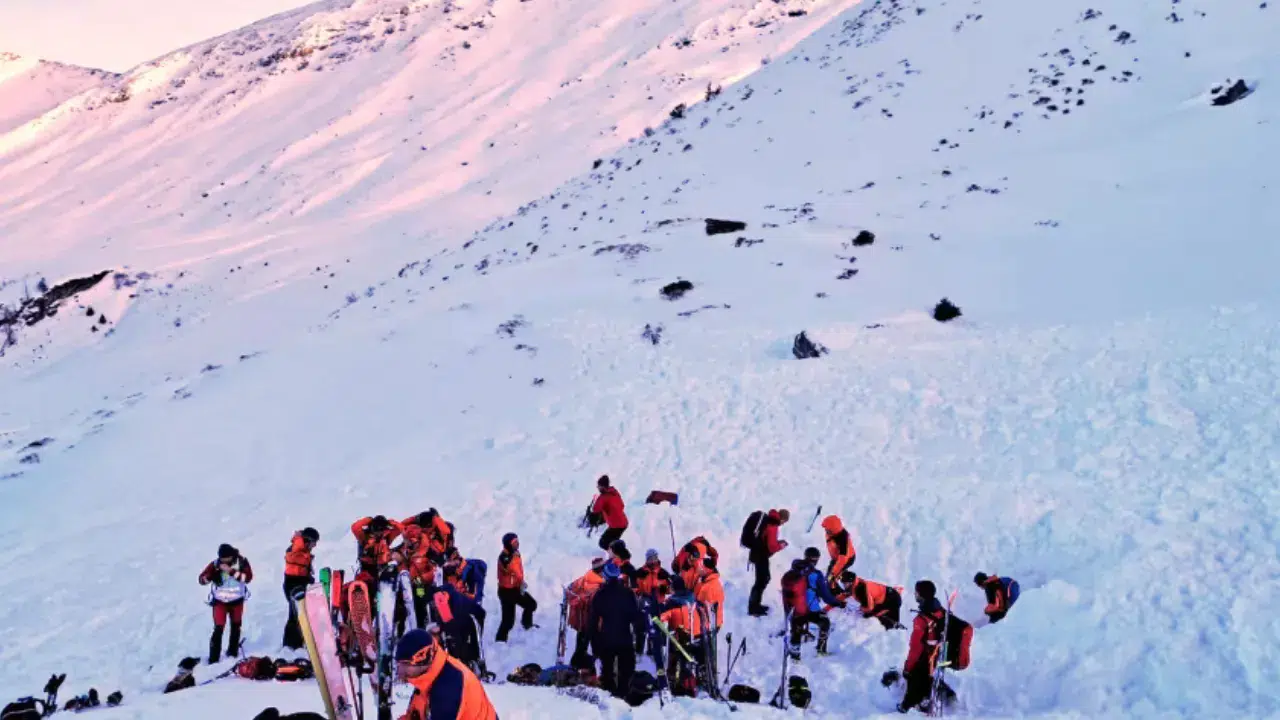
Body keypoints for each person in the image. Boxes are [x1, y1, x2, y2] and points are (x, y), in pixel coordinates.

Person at [394, 628, 498, 720]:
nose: (399, 671)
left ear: (423, 661)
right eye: (398, 665)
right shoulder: (430, 674)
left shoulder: (448, 689)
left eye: (405, 665)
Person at [588, 563, 646, 698]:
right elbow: (636, 618)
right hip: (625, 638)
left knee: (607, 671)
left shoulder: (600, 595)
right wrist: (639, 642)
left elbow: (593, 622)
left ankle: (609, 696)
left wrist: (594, 644)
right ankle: (623, 696)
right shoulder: (628, 594)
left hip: (606, 638)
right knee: (626, 671)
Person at [898, 580, 955, 714]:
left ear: (921, 595)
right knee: (928, 676)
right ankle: (936, 695)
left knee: (914, 675)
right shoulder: (940, 610)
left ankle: (907, 707)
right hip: (941, 653)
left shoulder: (922, 619)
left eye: (917, 592)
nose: (915, 594)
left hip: (928, 656)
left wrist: (908, 667)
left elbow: (915, 648)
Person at [198, 544, 253, 663]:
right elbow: (201, 579)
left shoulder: (242, 562)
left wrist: (231, 571)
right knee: (218, 629)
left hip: (237, 601)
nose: (223, 561)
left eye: (225, 558)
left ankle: (232, 652)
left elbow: (247, 578)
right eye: (221, 558)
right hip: (219, 602)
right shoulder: (215, 564)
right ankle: (213, 658)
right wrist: (209, 577)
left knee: (236, 626)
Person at [658, 577, 706, 696]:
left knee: (672, 648)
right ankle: (698, 676)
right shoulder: (693, 599)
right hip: (697, 636)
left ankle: (674, 678)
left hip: (680, 637)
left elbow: (662, 619)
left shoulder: (671, 603)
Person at [495, 533, 537, 642]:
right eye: (514, 542)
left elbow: (517, 572)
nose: (517, 544)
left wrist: (521, 582)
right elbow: (509, 568)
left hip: (516, 589)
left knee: (531, 604)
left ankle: (527, 624)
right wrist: (519, 582)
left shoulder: (515, 553)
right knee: (508, 622)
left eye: (517, 541)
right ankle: (500, 641)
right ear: (508, 545)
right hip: (506, 592)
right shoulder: (505, 558)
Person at [566, 558, 607, 670]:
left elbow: (569, 589)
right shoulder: (599, 585)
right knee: (597, 648)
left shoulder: (584, 578)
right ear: (601, 570)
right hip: (592, 621)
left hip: (581, 621)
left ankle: (575, 668)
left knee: (581, 647)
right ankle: (597, 671)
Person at [747, 509, 790, 617]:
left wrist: (778, 543)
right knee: (762, 580)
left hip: (757, 553)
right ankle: (753, 607)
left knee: (762, 579)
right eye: (784, 522)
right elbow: (771, 547)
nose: (783, 524)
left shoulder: (768, 520)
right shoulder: (773, 525)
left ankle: (755, 605)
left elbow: (767, 541)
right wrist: (781, 545)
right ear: (782, 519)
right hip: (761, 555)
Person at [282, 527, 320, 650]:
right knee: (296, 614)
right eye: (314, 542)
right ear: (308, 540)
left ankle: (299, 640)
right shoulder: (297, 548)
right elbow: (295, 558)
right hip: (293, 584)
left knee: (301, 613)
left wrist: (308, 577)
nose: (314, 545)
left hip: (299, 583)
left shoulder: (302, 549)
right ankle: (290, 644)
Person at [838, 572, 904, 630]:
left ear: (850, 582)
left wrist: (861, 608)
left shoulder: (861, 590)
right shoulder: (857, 583)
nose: (844, 586)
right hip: (892, 594)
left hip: (892, 601)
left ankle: (893, 626)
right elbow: (848, 593)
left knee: (869, 617)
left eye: (845, 583)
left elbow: (869, 608)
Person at [351, 515, 403, 582]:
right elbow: (355, 527)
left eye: (381, 530)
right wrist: (368, 520)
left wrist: (389, 522)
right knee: (369, 584)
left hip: (383, 567)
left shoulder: (387, 537)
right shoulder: (364, 537)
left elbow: (400, 528)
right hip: (367, 568)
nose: (378, 533)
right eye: (376, 529)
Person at [590, 475, 629, 552]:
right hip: (623, 523)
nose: (598, 488)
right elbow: (622, 505)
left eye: (599, 486)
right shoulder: (614, 492)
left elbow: (595, 510)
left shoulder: (603, 497)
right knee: (612, 543)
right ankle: (617, 557)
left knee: (604, 543)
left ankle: (617, 558)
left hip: (616, 526)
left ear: (603, 486)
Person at [694, 557, 725, 631]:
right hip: (715, 622)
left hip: (710, 625)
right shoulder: (709, 581)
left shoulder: (709, 587)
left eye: (700, 567)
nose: (698, 569)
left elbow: (707, 609)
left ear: (707, 570)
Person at [821, 516, 856, 581]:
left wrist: (833, 574)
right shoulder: (832, 533)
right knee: (831, 572)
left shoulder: (842, 540)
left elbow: (842, 559)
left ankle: (841, 585)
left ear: (833, 529)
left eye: (827, 529)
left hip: (847, 559)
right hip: (837, 558)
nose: (825, 531)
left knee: (832, 578)